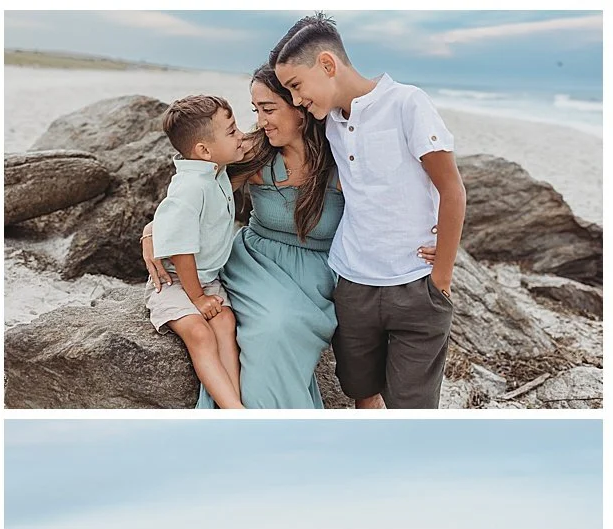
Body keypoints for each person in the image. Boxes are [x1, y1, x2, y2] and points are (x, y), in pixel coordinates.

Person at [272, 12, 465, 409]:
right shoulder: (328, 123)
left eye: (296, 86)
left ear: (327, 64)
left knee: (412, 406)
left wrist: (442, 275)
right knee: (361, 392)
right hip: (353, 282)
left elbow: (452, 188)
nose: (296, 100)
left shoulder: (408, 104)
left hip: (415, 284)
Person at [146, 95, 249, 409]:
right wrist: (198, 298)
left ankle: (231, 399)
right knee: (200, 333)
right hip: (176, 281)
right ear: (204, 150)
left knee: (225, 322)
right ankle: (235, 410)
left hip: (206, 277)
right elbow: (180, 252)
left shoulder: (214, 172)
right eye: (232, 132)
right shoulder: (190, 187)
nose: (241, 135)